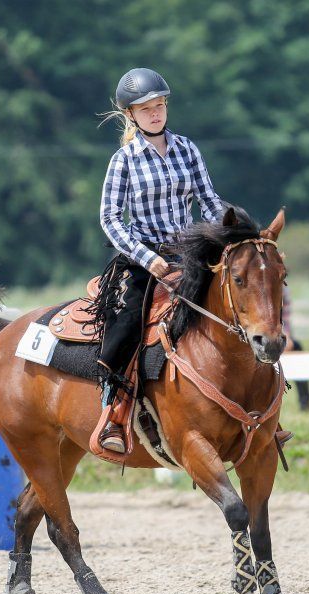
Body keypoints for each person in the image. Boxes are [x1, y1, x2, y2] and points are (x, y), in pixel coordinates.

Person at [95, 67, 223, 453]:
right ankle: (114, 412)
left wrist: (231, 232)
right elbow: (110, 218)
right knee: (127, 326)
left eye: (160, 105)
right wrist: (144, 257)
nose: (155, 113)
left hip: (189, 251)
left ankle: (261, 411)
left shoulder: (187, 148)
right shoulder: (124, 160)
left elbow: (210, 201)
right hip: (144, 259)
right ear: (131, 115)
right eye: (146, 108)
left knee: (237, 310)